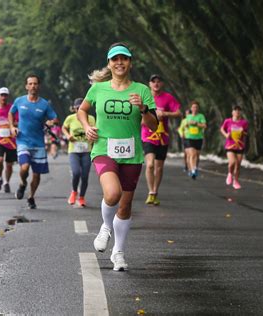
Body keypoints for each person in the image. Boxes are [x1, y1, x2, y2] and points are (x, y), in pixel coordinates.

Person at [77, 43, 158, 271]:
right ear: (109, 63)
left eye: (124, 59)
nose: (119, 63)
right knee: (113, 194)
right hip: (104, 148)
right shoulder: (98, 89)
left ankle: (119, 253)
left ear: (130, 62)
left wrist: (143, 109)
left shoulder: (142, 90)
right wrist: (86, 125)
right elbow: (82, 110)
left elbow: (153, 125)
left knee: (125, 205)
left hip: (131, 153)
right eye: (115, 59)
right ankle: (105, 227)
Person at [9, 74, 58, 209]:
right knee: (24, 167)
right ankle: (22, 183)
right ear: (26, 86)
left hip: (39, 144)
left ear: (39, 86)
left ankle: (31, 197)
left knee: (36, 174)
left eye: (35, 83)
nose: (33, 86)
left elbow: (55, 118)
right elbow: (10, 113)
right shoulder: (19, 101)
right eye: (30, 84)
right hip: (23, 141)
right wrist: (12, 126)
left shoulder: (44, 104)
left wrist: (51, 121)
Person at [142, 74, 181, 206]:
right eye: (153, 82)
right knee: (150, 165)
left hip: (163, 138)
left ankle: (155, 192)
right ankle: (150, 192)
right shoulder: (145, 97)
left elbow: (178, 113)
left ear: (162, 84)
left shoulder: (168, 97)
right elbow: (136, 114)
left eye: (158, 81)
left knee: (158, 167)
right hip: (147, 136)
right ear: (149, 84)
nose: (156, 84)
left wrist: (165, 113)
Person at [62, 98, 96, 207]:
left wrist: (93, 134)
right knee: (76, 172)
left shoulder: (91, 118)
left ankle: (81, 197)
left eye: (81, 107)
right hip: (74, 150)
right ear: (74, 108)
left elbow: (96, 129)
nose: (79, 109)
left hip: (87, 151)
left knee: (85, 176)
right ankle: (74, 192)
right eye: (77, 108)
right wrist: (68, 136)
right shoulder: (70, 118)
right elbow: (63, 128)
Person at [220, 105, 249, 189]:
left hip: (240, 146)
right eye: (235, 110)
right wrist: (226, 135)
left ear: (241, 113)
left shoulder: (244, 122)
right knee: (232, 162)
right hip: (230, 145)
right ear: (232, 112)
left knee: (238, 165)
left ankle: (235, 181)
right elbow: (222, 129)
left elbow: (246, 133)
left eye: (239, 111)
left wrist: (243, 132)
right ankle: (229, 174)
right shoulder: (227, 121)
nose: (237, 112)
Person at [183, 101, 207, 179]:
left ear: (198, 108)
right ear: (191, 108)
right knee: (192, 154)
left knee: (197, 155)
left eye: (196, 107)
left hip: (198, 138)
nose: (195, 108)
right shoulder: (188, 116)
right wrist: (188, 124)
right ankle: (193, 170)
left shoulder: (201, 116)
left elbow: (204, 126)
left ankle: (194, 167)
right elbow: (185, 126)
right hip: (189, 137)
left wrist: (196, 124)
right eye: (193, 107)